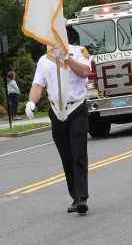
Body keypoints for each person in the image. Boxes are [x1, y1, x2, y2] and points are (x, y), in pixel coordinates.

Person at [25, 27, 92, 214]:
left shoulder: (79, 52)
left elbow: (85, 72)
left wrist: (66, 58)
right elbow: (38, 84)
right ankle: (75, 196)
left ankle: (82, 197)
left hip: (76, 108)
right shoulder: (43, 60)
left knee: (78, 153)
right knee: (66, 156)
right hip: (57, 111)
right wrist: (31, 102)